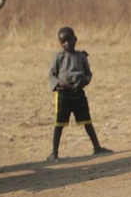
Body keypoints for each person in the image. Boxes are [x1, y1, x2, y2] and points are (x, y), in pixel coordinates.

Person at [47, 26, 111, 161]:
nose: (67, 44)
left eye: (69, 40)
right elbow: (52, 75)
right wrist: (60, 83)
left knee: (87, 121)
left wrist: (84, 82)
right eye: (63, 42)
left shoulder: (81, 56)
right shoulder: (58, 57)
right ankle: (54, 153)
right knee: (59, 124)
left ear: (75, 39)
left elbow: (88, 74)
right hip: (63, 95)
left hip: (78, 93)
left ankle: (97, 147)